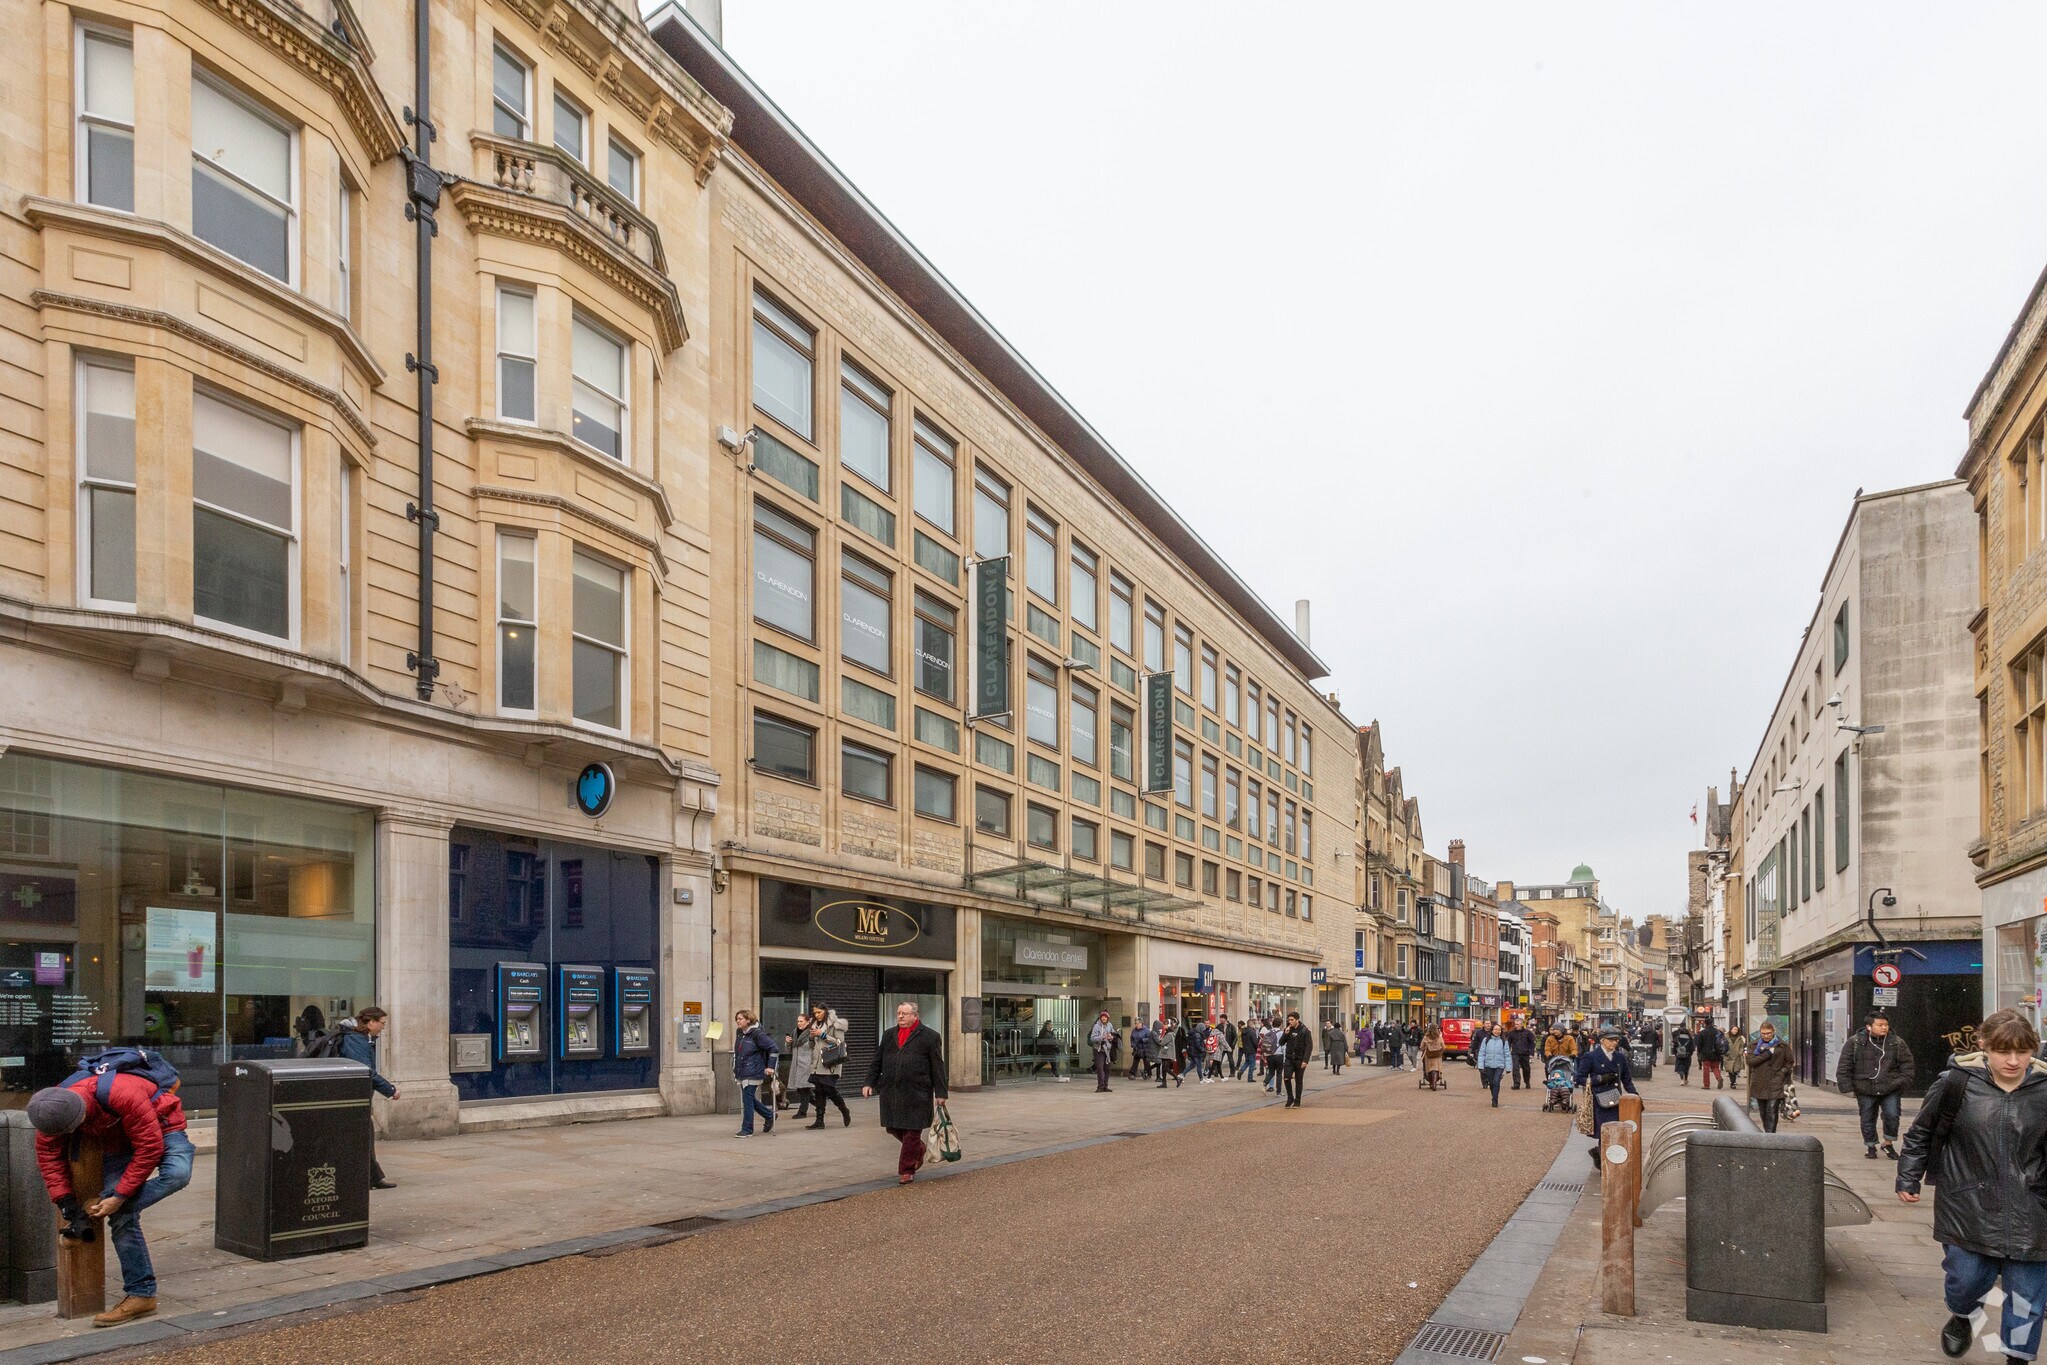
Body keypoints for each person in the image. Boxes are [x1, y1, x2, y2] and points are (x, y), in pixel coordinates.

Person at [1898, 1009, 2047, 1363]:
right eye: (2003, 1052)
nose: (2014, 1061)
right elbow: (1921, 1132)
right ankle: (1962, 1314)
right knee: (1966, 1281)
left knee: (2027, 1298)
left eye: (2023, 1052)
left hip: (2033, 1209)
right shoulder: (1956, 1083)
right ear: (1984, 1046)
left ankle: (2017, 1357)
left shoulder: (2044, 1090)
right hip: (1967, 1205)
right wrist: (1908, 1175)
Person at [27, 1063, 193, 1328]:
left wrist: (120, 1196)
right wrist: (66, 1203)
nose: (66, 1137)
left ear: (79, 1116)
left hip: (161, 1126)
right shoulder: (50, 1110)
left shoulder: (122, 1094)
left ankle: (111, 1207)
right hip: (117, 1140)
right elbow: (49, 1157)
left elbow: (149, 1148)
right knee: (122, 1217)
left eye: (69, 1131)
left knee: (178, 1175)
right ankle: (142, 1295)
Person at [864, 1000, 949, 1184]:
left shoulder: (930, 1037)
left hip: (917, 1092)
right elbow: (877, 1061)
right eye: (898, 1013)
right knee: (893, 1127)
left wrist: (941, 1093)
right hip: (892, 1091)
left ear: (915, 1016)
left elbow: (938, 1067)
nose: (900, 1017)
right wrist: (869, 1082)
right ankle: (918, 1149)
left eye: (905, 1013)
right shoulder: (888, 1035)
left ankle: (906, 1169)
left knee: (911, 1131)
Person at [1838, 1012, 1917, 1160]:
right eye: (1880, 1025)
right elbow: (1845, 1064)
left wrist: (1904, 1082)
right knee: (1867, 1118)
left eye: (1886, 1025)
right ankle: (1870, 1145)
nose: (1884, 1028)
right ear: (1869, 1026)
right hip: (1865, 1087)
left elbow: (1907, 1064)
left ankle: (1888, 1144)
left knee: (1892, 1115)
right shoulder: (1855, 1042)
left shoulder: (1897, 1042)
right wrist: (1847, 1085)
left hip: (1891, 1087)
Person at [337, 1007, 399, 1187]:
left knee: (364, 1137)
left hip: (355, 1098)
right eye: (382, 1023)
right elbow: (365, 1071)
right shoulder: (356, 1041)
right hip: (352, 1098)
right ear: (371, 1022)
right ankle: (369, 1178)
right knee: (362, 1137)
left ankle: (373, 1177)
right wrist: (391, 1089)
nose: (383, 1027)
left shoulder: (358, 1038)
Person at [1574, 1026, 1639, 1167]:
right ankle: (1604, 1162)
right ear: (1602, 1041)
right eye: (1611, 1040)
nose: (1614, 1043)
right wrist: (1599, 1079)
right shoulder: (1590, 1056)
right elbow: (1579, 1078)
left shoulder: (1620, 1057)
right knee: (1605, 1132)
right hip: (1599, 1101)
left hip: (1616, 1100)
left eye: (1616, 1040)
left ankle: (1602, 1156)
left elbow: (1627, 1080)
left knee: (1615, 1132)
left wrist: (1635, 1097)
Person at [792, 1004, 851, 1128]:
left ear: (825, 1011)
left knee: (829, 1089)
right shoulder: (814, 1025)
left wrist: (823, 1035)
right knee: (819, 1091)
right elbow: (812, 1046)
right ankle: (819, 1121)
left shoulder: (836, 1024)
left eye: (819, 1012)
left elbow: (840, 1043)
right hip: (817, 1063)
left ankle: (844, 1109)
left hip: (830, 1062)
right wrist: (812, 1038)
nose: (817, 1015)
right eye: (815, 1013)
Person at [731, 1008, 779, 1137]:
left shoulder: (758, 1034)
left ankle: (747, 1129)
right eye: (737, 1019)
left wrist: (770, 1066)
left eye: (740, 1019)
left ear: (748, 1020)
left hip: (753, 1070)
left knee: (747, 1100)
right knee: (750, 1098)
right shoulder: (740, 1032)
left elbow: (773, 1048)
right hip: (742, 1070)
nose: (738, 1021)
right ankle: (769, 1115)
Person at [1746, 1020, 1794, 1132]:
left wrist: (1783, 1071)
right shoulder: (1753, 1045)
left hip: (1776, 1081)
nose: (1766, 1036)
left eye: (1768, 1033)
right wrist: (1768, 1054)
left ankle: (1771, 1135)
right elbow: (1751, 1061)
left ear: (1773, 1032)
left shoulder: (1782, 1046)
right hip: (1760, 1081)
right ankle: (1768, 1133)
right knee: (1763, 1112)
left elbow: (1790, 1061)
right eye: (1763, 1033)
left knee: (1772, 1109)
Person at [1281, 1011, 1313, 1107]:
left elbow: (1309, 1046)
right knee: (1286, 1077)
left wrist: (1305, 1060)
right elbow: (1281, 1042)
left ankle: (1297, 1100)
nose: (1290, 1022)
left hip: (1300, 1059)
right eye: (1289, 1020)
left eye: (1292, 1020)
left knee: (1298, 1080)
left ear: (1297, 1020)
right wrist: (1285, 1034)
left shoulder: (1305, 1031)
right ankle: (1290, 1097)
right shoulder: (1288, 1030)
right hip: (1289, 1058)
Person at [1476, 1023, 1512, 1107]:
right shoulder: (1486, 1040)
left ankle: (1495, 1099)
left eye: (1499, 1030)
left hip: (1500, 1065)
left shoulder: (1504, 1041)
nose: (1497, 1031)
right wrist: (1480, 1065)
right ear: (1492, 1030)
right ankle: (1493, 1095)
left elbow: (1507, 1054)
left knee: (1496, 1081)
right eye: (1495, 1029)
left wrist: (1508, 1067)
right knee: (1491, 1083)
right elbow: (1481, 1053)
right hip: (1488, 1064)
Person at [1696, 1018, 1728, 1090]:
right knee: (1715, 1067)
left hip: (1705, 1053)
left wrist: (1699, 1052)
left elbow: (1699, 1044)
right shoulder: (1717, 1032)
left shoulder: (1702, 1032)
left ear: (1705, 1024)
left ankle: (1706, 1085)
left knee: (1706, 1069)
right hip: (1716, 1052)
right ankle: (1718, 1077)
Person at [1089, 1011, 1117, 1093]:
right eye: (1102, 1017)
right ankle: (1100, 1086)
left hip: (1107, 1050)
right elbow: (1092, 1038)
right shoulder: (1096, 1026)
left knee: (1107, 1069)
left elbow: (1113, 1033)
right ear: (1100, 1018)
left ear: (1107, 1018)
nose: (1104, 1018)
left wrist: (1111, 1037)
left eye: (1105, 1017)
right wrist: (1102, 1037)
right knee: (1100, 1068)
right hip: (1099, 1050)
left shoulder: (1109, 1025)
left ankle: (1105, 1086)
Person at [1507, 1019, 1538, 1090]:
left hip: (1525, 1053)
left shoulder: (1528, 1033)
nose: (1516, 1026)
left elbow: (1532, 1043)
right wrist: (1507, 1051)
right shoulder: (1511, 1033)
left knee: (1526, 1069)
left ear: (1521, 1024)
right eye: (1515, 1024)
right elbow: (1508, 1043)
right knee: (1515, 1068)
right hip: (1515, 1053)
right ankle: (1516, 1083)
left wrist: (1531, 1053)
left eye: (1518, 1024)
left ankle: (1527, 1081)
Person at [1420, 1024, 1447, 1091]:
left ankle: (1431, 1082)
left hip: (1429, 1056)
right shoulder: (1439, 1037)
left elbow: (1421, 1047)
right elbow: (1444, 1047)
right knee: (1437, 1068)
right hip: (1437, 1056)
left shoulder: (1426, 1037)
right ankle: (1435, 1081)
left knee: (1429, 1069)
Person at [1670, 1021, 1695, 1086]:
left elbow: (1675, 1046)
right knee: (1686, 1067)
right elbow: (1692, 1047)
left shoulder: (1677, 1038)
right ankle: (1686, 1079)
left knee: (1680, 1066)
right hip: (1687, 1055)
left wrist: (1675, 1053)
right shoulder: (1690, 1038)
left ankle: (1681, 1080)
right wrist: (1690, 1054)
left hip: (1679, 1054)